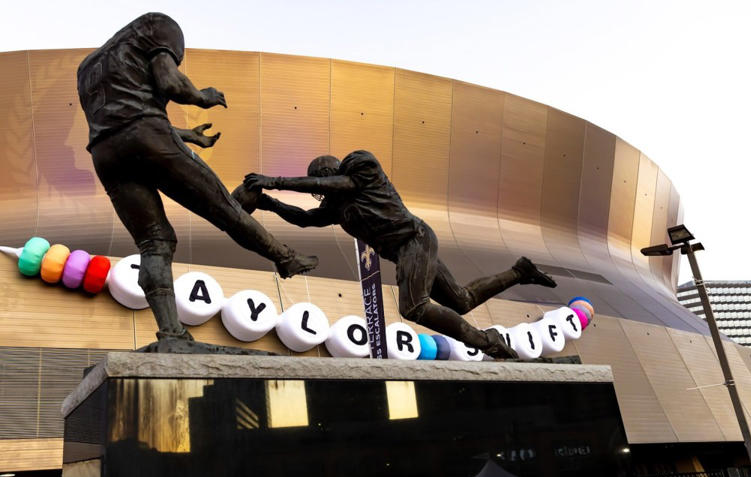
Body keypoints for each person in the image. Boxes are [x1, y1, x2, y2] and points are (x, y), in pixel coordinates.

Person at [77, 13, 317, 343]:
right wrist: (204, 97)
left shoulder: (88, 66)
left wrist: (188, 135)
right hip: (148, 136)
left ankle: (171, 331)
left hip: (106, 153)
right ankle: (286, 259)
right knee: (225, 208)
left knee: (155, 243)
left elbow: (122, 121)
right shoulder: (157, 25)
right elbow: (170, 84)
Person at [233, 151, 557, 358]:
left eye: (324, 184)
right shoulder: (337, 208)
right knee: (461, 300)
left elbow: (334, 184)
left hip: (414, 240)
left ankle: (487, 342)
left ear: (333, 172)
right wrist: (268, 203)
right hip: (406, 252)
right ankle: (520, 271)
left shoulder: (362, 168)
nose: (323, 193)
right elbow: (305, 219)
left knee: (414, 307)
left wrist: (274, 182)